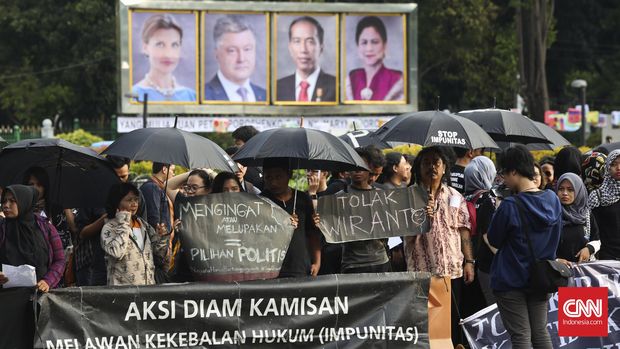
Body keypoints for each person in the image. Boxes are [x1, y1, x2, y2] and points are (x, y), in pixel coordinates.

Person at [487, 145, 561, 349]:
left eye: (503, 174)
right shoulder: (553, 199)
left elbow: (493, 239)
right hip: (542, 277)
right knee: (540, 332)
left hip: (510, 278)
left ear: (513, 171)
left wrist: (498, 209)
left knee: (521, 336)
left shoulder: (510, 205)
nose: (503, 180)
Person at [405, 146, 473, 347]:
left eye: (436, 162)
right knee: (427, 326)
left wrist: (469, 261)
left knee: (452, 324)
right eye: (426, 162)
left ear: (444, 168)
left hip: (451, 271)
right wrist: (421, 220)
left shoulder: (455, 196)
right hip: (422, 273)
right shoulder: (408, 197)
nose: (432, 167)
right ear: (418, 168)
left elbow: (464, 230)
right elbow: (403, 236)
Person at [260, 159, 321, 278]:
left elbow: (312, 233)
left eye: (278, 177)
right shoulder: (259, 202)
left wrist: (317, 262)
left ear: (290, 175)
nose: (274, 182)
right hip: (269, 268)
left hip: (300, 266)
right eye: (268, 178)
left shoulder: (303, 199)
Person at [101, 183, 169, 286]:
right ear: (117, 202)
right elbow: (116, 252)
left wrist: (162, 237)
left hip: (147, 290)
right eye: (129, 200)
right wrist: (123, 222)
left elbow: (159, 254)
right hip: (123, 294)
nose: (134, 204)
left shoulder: (143, 225)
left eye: (136, 200)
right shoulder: (109, 228)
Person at [0, 185, 65, 292]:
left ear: (24, 202)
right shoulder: (2, 228)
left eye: (12, 201)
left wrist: (47, 281)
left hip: (40, 297)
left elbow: (60, 260)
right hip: (7, 298)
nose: (6, 205)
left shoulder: (46, 227)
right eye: (4, 201)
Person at [338, 148, 390, 273]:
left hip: (380, 261)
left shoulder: (383, 196)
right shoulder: (338, 198)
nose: (357, 169)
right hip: (352, 264)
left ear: (370, 169)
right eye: (354, 164)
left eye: (362, 165)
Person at [132, 14, 196, 102]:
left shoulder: (191, 96)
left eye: (174, 45)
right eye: (160, 45)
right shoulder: (134, 96)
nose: (168, 54)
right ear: (145, 48)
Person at [204, 15, 266, 102]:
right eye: (232, 51)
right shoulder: (203, 96)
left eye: (247, 49)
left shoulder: (265, 96)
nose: (241, 59)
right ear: (216, 54)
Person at [464, 156, 499, 307]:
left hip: (466, 260)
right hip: (487, 263)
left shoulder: (461, 199)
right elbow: (489, 235)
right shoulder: (490, 199)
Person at [277, 16, 336, 102]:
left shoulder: (336, 86)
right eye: (297, 41)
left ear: (321, 48)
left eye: (310, 42)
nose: (303, 49)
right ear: (290, 48)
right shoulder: (278, 88)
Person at [346, 16, 404, 101]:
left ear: (385, 45)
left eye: (375, 42)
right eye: (364, 42)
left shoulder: (397, 80)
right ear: (357, 46)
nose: (369, 48)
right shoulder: (352, 79)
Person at [555, 173, 600, 263]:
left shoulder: (586, 214)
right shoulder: (552, 213)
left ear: (579, 191)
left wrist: (589, 249)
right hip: (557, 271)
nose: (564, 193)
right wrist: (555, 260)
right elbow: (543, 246)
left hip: (583, 272)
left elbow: (597, 240)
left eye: (570, 190)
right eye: (561, 189)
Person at [588, 149, 620, 260]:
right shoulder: (597, 196)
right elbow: (592, 230)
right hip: (606, 258)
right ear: (607, 167)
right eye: (614, 164)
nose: (618, 168)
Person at [140, 162, 176, 233]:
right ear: (164, 169)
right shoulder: (152, 187)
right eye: (172, 170)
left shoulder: (158, 187)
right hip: (158, 240)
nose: (174, 174)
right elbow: (154, 219)